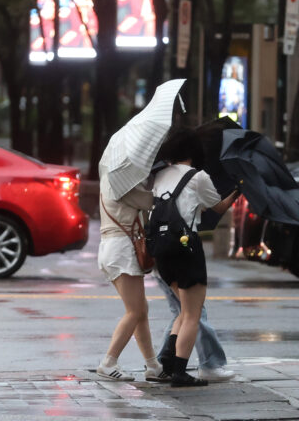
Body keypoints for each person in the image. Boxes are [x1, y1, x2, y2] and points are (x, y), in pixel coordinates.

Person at [152, 128, 239, 387]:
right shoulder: (198, 177)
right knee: (193, 312)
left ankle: (168, 359)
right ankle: (179, 372)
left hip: (162, 252)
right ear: (193, 152)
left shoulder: (159, 176)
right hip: (186, 249)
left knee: (183, 309)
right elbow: (218, 207)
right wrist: (238, 190)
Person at [96, 173, 168, 382]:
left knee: (140, 309)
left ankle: (153, 365)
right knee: (135, 311)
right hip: (121, 249)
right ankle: (108, 362)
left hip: (113, 248)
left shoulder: (111, 179)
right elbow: (151, 201)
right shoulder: (121, 183)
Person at [154, 272, 235, 382]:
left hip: (165, 266)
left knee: (183, 313)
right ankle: (209, 365)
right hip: (179, 266)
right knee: (193, 313)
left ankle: (163, 363)